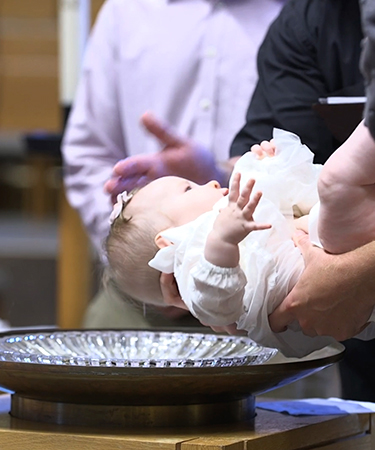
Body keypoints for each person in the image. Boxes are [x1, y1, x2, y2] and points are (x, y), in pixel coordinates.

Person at [61, 0, 285, 328]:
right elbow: (89, 154)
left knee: (291, 366)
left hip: (269, 275)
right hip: (147, 295)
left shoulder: (297, 13)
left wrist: (220, 174)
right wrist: (145, 268)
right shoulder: (127, 11)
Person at [105, 127, 375, 357]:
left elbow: (296, 198)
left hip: (339, 255)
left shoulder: (236, 220)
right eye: (188, 188)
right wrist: (222, 241)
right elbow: (216, 304)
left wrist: (274, 167)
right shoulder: (194, 259)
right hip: (336, 268)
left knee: (336, 184)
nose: (209, 183)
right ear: (166, 242)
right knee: (336, 180)